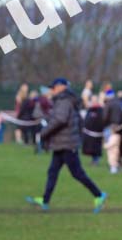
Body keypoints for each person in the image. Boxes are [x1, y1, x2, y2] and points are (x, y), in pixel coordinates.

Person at [26, 79, 106, 213]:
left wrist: (44, 133)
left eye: (53, 87)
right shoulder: (65, 100)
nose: (51, 90)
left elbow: (60, 119)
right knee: (52, 172)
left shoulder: (64, 101)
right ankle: (45, 201)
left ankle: (99, 195)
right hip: (61, 143)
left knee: (77, 173)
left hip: (67, 143)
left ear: (61, 87)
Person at [103, 87, 121, 174]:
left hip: (110, 128)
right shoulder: (119, 102)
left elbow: (104, 117)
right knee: (116, 148)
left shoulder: (108, 104)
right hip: (119, 128)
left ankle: (113, 166)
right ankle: (117, 164)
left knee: (110, 148)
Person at [82, 95, 104, 165]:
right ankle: (93, 160)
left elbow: (102, 120)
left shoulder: (100, 110)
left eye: (95, 100)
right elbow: (86, 119)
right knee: (91, 148)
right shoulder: (90, 109)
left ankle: (96, 161)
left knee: (96, 148)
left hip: (97, 133)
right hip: (90, 133)